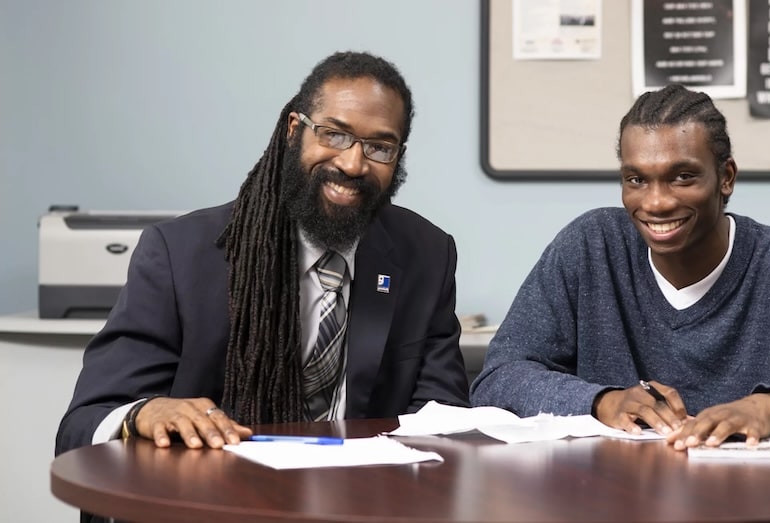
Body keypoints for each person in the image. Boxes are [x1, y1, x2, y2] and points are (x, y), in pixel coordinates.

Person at [57, 51, 469, 458]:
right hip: (216, 496)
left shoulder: (427, 254)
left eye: (379, 147)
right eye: (333, 134)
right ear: (294, 130)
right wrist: (143, 413)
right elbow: (84, 421)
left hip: (364, 498)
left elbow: (442, 418)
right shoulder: (179, 255)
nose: (352, 163)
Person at [470, 84, 770, 449]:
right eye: (636, 179)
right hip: (613, 500)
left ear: (726, 177)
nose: (655, 202)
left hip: (756, 506)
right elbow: (500, 377)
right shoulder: (588, 248)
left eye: (682, 177)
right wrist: (601, 401)